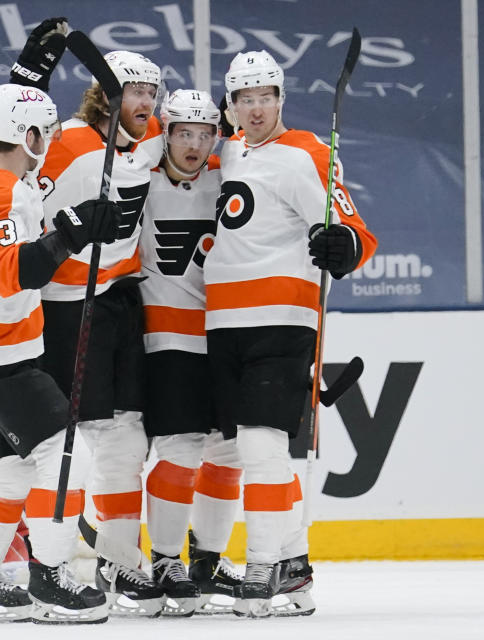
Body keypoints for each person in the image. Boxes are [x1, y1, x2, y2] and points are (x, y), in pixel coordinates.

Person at [0, 83, 121, 624]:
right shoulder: (1, 190)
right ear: (29, 135)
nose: (54, 138)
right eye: (48, 130)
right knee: (67, 457)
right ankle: (51, 578)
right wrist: (73, 230)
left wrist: (35, 66)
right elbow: (13, 274)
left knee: (11, 468)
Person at [205, 50, 377, 618]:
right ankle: (295, 567)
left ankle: (260, 568)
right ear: (229, 104)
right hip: (221, 322)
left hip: (281, 318)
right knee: (235, 451)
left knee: (261, 445)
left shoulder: (308, 151)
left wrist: (343, 246)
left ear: (281, 99)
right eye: (244, 98)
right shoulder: (219, 149)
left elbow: (352, 227)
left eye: (266, 97)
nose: (256, 109)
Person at [35, 49, 167, 618]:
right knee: (75, 443)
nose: (145, 103)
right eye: (133, 91)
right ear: (105, 94)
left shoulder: (150, 136)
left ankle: (117, 557)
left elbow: (203, 134)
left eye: (150, 93)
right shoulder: (65, 143)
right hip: (67, 307)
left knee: (129, 439)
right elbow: (18, 203)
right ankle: (49, 563)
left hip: (120, 301)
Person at [138, 89, 244, 616]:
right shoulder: (142, 178)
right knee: (179, 450)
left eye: (205, 134)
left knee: (228, 453)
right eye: (184, 133)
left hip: (221, 335)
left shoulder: (229, 177)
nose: (195, 144)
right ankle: (163, 558)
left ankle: (207, 560)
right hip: (167, 339)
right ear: (166, 134)